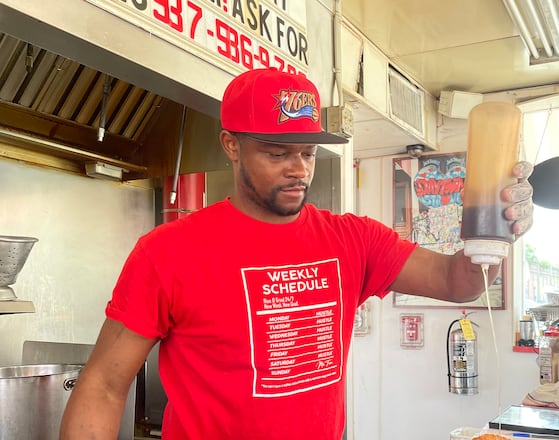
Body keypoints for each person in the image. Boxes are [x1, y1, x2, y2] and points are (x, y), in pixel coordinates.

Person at [60, 67, 534, 440]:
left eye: (307, 153)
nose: (298, 170)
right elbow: (103, 385)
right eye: (277, 153)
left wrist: (493, 229)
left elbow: (459, 282)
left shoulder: (354, 240)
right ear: (231, 145)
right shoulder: (167, 252)